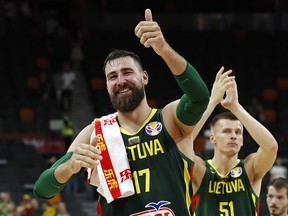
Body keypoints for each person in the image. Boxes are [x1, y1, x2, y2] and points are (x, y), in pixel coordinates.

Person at [33, 8, 210, 216]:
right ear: (107, 85)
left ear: (144, 77)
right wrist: (70, 167)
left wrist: (163, 49)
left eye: (127, 72)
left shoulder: (169, 119)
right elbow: (42, 189)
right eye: (112, 77)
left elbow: (199, 98)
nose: (121, 81)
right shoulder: (96, 133)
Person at [190, 67, 278, 215]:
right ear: (213, 139)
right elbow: (180, 143)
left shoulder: (250, 168)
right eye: (226, 131)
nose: (233, 136)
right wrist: (212, 102)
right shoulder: (200, 169)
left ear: (242, 140)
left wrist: (236, 107)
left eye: (238, 132)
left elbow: (271, 146)